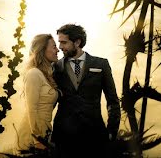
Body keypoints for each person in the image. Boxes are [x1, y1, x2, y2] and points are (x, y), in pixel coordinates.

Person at [51, 23, 121, 156]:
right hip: (63, 137)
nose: (60, 47)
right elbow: (49, 101)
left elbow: (112, 101)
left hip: (94, 135)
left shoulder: (101, 64)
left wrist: (112, 130)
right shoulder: (56, 67)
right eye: (59, 43)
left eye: (64, 42)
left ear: (77, 42)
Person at [16, 34, 60, 155]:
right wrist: (37, 139)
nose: (58, 50)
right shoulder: (34, 74)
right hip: (33, 137)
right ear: (42, 49)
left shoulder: (46, 75)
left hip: (45, 133)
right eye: (54, 46)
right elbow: (31, 108)